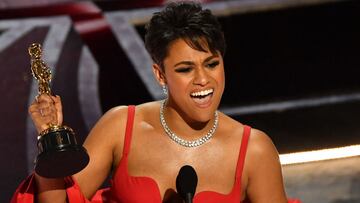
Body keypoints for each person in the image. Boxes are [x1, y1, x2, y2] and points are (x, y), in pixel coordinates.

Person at [12, 1, 296, 203]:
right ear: (160, 74)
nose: (203, 80)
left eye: (211, 64)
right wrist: (51, 145)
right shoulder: (122, 126)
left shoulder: (254, 150)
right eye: (185, 69)